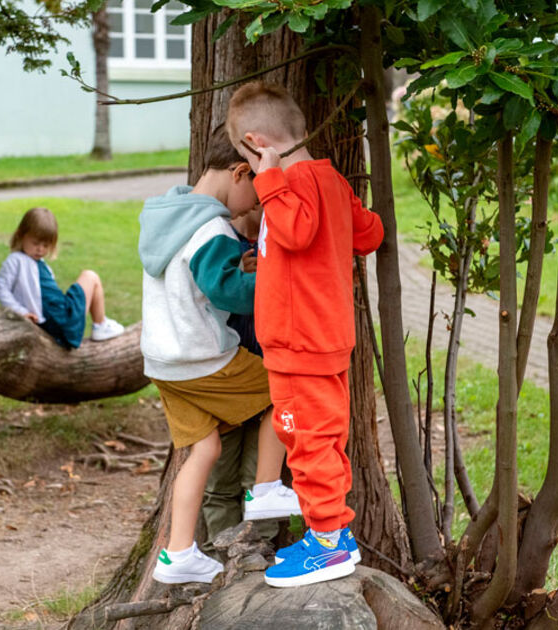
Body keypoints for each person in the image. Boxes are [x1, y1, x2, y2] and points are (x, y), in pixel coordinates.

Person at [227, 81, 385, 588]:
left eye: (248, 161)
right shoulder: (330, 180)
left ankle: (327, 542)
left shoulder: (287, 186)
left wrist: (269, 180)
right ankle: (332, 528)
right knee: (325, 438)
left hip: (300, 344)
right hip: (325, 339)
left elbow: (294, 231)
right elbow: (370, 233)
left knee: (308, 440)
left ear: (257, 145)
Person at [140, 128, 301, 585]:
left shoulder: (167, 216)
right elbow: (227, 291)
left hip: (164, 365)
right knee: (283, 389)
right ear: (241, 172)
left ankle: (178, 553)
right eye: (253, 196)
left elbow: (196, 282)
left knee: (204, 449)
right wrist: (277, 275)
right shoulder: (211, 228)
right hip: (202, 358)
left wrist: (239, 266)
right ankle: (269, 489)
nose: (252, 207)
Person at [200, 203, 277, 551]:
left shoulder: (279, 238)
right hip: (224, 381)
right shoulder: (219, 239)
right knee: (219, 484)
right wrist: (240, 277)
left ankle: (259, 557)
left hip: (267, 377)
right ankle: (223, 562)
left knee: (258, 480)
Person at [0, 207, 125, 348]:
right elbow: (2, 289)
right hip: (59, 321)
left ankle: (100, 324)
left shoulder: (42, 266)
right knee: (90, 276)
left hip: (61, 320)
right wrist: (21, 312)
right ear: (21, 235)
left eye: (46, 245)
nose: (40, 249)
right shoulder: (16, 260)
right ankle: (100, 325)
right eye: (35, 243)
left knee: (89, 279)